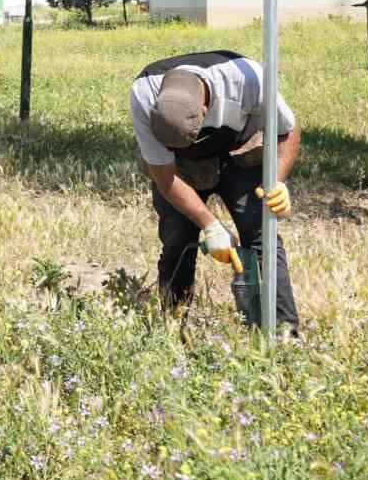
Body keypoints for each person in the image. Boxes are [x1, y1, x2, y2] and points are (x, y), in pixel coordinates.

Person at [128, 50, 300, 330]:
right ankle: (172, 327)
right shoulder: (143, 93)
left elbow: (288, 130)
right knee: (178, 239)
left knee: (261, 235)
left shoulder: (249, 79)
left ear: (205, 111)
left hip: (239, 150)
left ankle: (281, 331)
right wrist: (211, 225)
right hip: (182, 168)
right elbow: (164, 175)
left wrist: (278, 180)